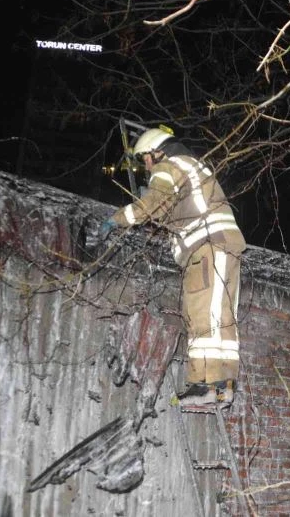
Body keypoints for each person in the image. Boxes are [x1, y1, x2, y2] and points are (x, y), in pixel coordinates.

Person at [101, 127, 246, 407]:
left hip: (207, 247)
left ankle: (206, 385)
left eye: (145, 159)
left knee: (203, 315)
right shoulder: (191, 168)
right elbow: (172, 211)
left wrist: (116, 219)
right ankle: (222, 385)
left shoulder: (168, 166)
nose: (145, 166)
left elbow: (151, 205)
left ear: (156, 151)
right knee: (221, 316)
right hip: (221, 247)